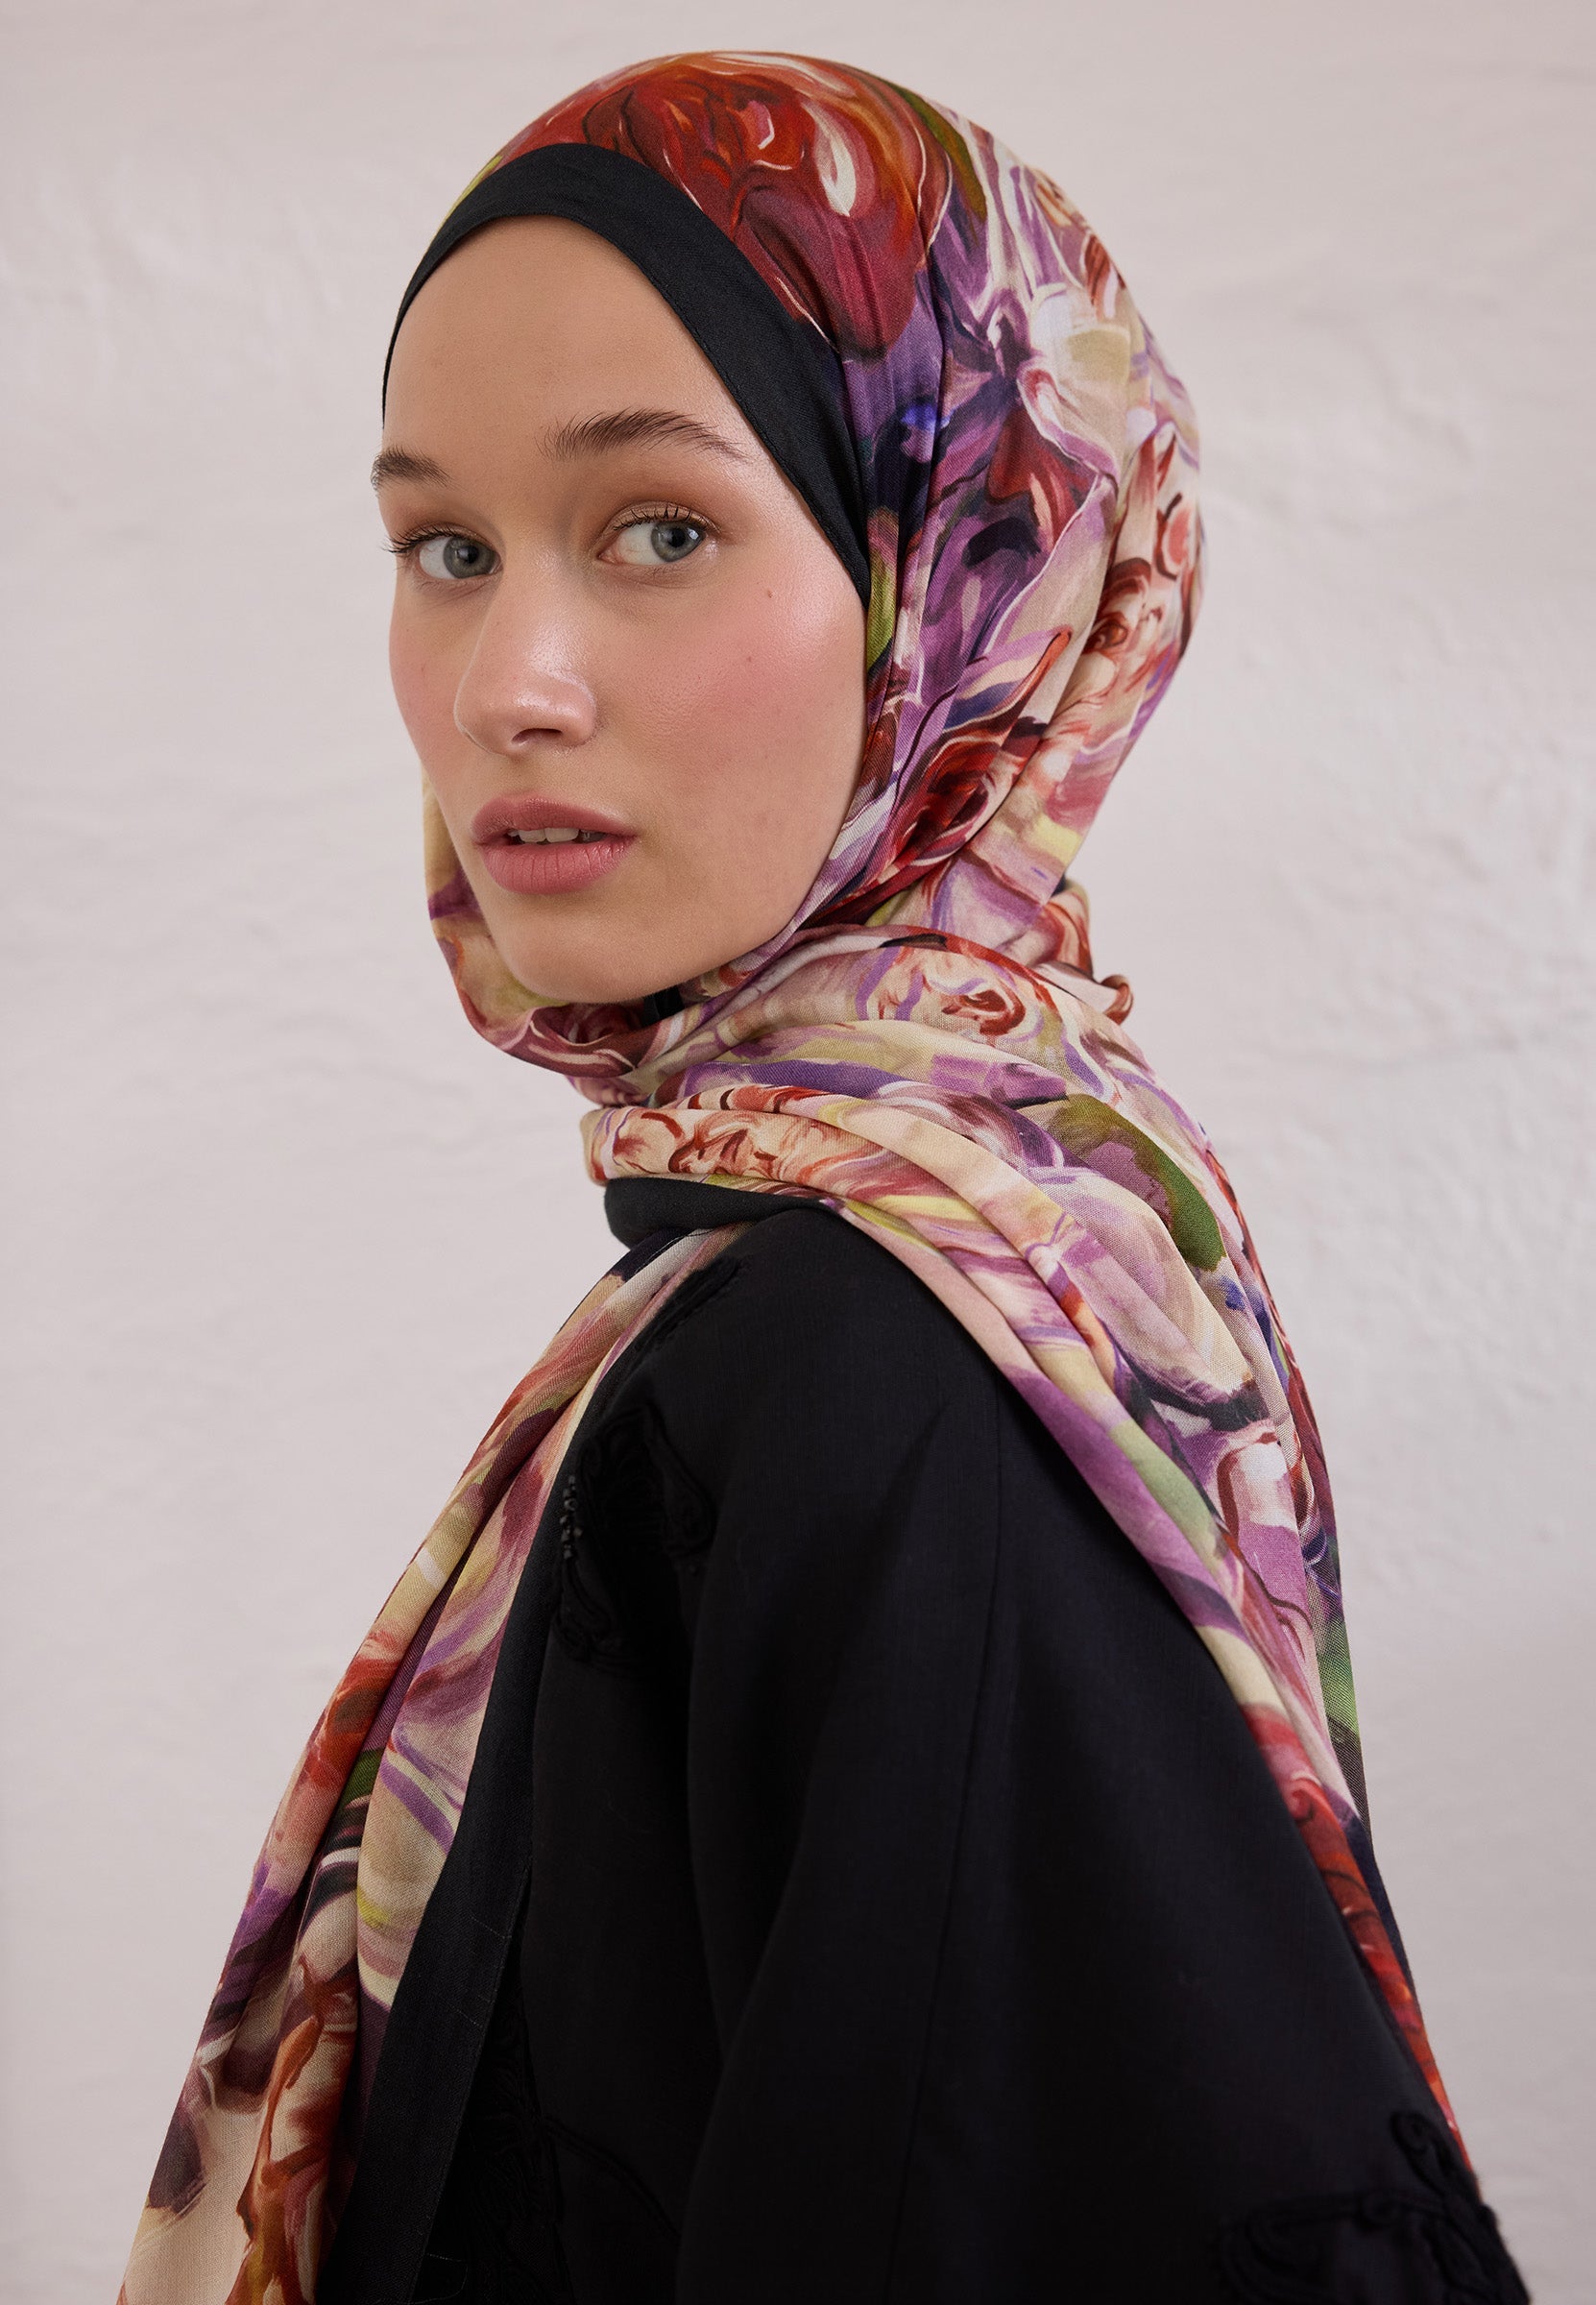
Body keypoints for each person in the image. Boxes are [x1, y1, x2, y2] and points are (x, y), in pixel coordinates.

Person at [119, 52, 1527, 2305]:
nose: (508, 684)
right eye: (446, 550)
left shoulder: (888, 1360)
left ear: (969, 582)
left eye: (657, 532)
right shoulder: (977, 1249)